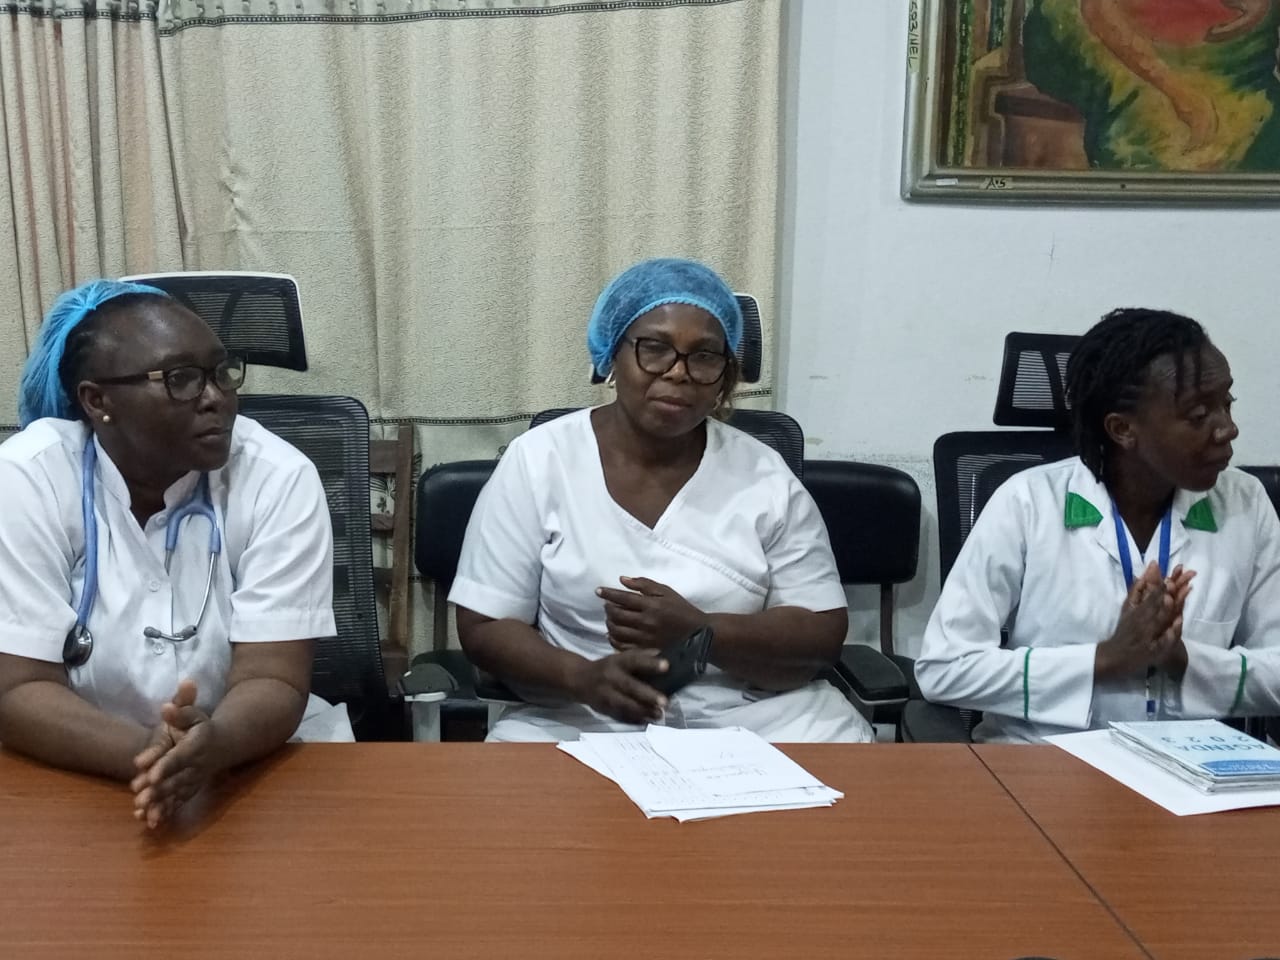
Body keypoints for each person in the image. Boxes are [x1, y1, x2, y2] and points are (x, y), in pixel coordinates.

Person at [450, 257, 871, 743]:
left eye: (705, 356)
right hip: (581, 712)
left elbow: (820, 633)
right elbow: (485, 624)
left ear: (726, 375)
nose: (678, 372)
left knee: (849, 773)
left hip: (751, 715)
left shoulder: (765, 475)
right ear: (612, 354)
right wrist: (582, 678)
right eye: (654, 348)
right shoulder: (539, 460)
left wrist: (704, 632)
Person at [0, 279, 352, 828]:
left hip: (247, 761)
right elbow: (19, 687)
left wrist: (214, 746)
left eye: (221, 372)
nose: (216, 397)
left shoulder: (278, 476)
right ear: (97, 401)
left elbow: (275, 677)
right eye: (180, 379)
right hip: (73, 760)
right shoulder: (28, 478)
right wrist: (152, 756)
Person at [916, 307, 1280, 742]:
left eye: (1227, 403)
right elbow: (944, 668)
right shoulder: (1028, 502)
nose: (1228, 429)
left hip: (1191, 764)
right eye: (1199, 414)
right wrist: (1104, 660)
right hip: (1040, 760)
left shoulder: (1245, 502)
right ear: (1122, 429)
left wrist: (1183, 661)